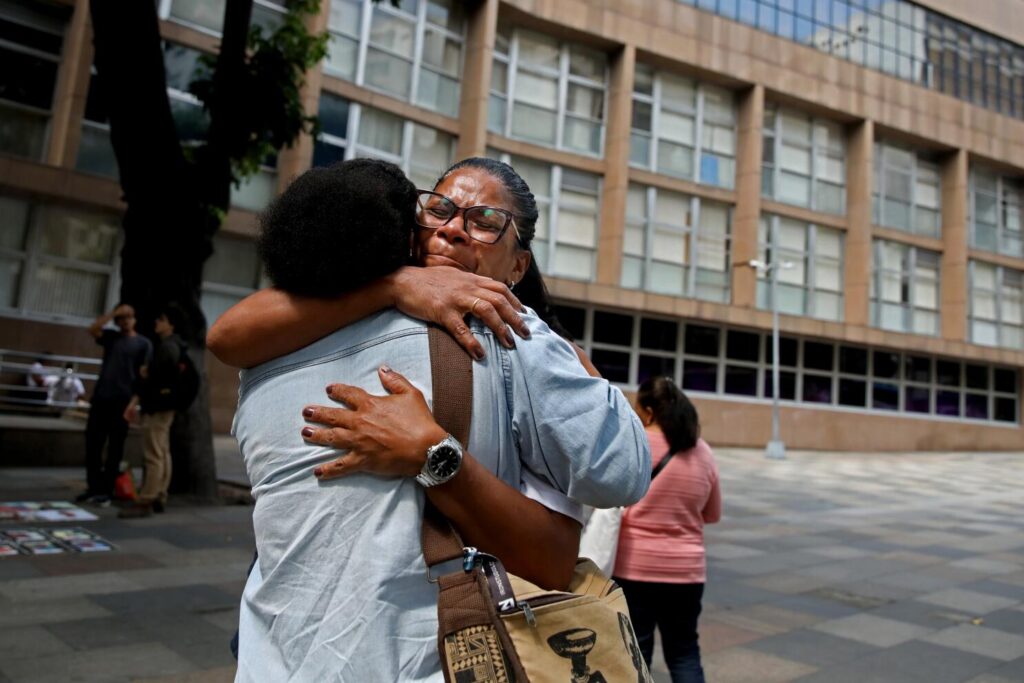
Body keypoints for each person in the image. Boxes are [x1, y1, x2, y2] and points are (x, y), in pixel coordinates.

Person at [210, 157, 650, 681]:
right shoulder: (507, 339)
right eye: (437, 209)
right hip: (422, 659)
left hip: (271, 659)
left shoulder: (267, 355)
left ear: (517, 268)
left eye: (484, 221)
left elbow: (224, 338)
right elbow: (618, 477)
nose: (452, 228)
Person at [612, 376, 721, 683]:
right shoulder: (703, 452)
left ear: (648, 412)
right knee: (685, 653)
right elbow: (712, 514)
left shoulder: (633, 443)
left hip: (634, 567)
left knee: (637, 655)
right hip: (686, 572)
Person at [78, 303, 152, 506]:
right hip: (101, 398)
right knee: (93, 444)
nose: (126, 321)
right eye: (122, 318)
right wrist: (113, 313)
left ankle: (107, 490)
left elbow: (143, 377)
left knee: (115, 448)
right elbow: (93, 329)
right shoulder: (111, 337)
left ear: (134, 319)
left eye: (129, 317)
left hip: (122, 400)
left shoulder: (143, 344)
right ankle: (93, 487)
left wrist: (133, 403)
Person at [119, 304, 187, 518]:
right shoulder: (177, 346)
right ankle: (159, 494)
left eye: (161, 320)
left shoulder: (167, 347)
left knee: (153, 453)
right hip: (167, 405)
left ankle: (147, 498)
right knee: (162, 450)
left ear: (171, 324)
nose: (156, 323)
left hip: (158, 406)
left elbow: (155, 379)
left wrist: (146, 373)